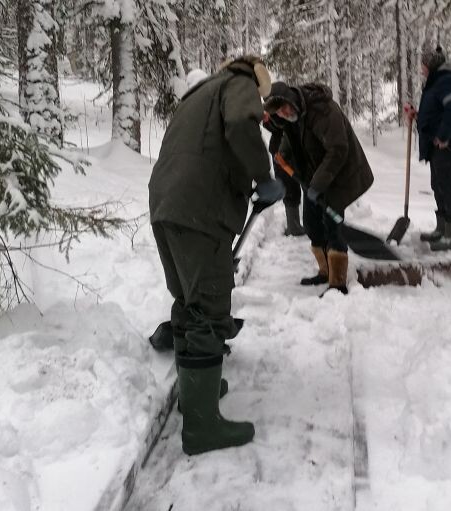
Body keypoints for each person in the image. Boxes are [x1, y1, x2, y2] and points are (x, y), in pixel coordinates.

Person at [148, 55, 284, 456]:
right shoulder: (238, 82)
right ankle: (202, 428)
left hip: (166, 202)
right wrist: (263, 175)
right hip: (200, 208)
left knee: (189, 299)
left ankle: (195, 397)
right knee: (209, 305)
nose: (258, 105)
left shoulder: (199, 94)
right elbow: (242, 123)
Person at [263, 81, 374, 295]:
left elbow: (338, 150)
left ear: (291, 99)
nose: (284, 114)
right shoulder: (292, 116)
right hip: (314, 176)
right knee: (313, 225)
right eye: (279, 112)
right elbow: (288, 137)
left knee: (333, 226)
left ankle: (338, 282)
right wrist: (283, 156)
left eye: (284, 108)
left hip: (338, 175)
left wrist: (318, 183)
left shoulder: (323, 110)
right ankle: (325, 271)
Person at [405, 46, 451, 251]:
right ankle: (442, 229)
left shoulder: (447, 81)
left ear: (432, 65)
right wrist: (417, 115)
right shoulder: (439, 81)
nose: (421, 69)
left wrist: (444, 137)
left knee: (448, 185)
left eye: (424, 65)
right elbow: (438, 111)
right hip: (438, 144)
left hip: (447, 145)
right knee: (438, 184)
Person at [262, 111, 305, 236]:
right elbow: (273, 126)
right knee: (290, 187)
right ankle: (294, 226)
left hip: (289, 149)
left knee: (297, 186)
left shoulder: (285, 103)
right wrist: (270, 121)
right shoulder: (274, 106)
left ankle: (297, 225)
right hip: (281, 152)